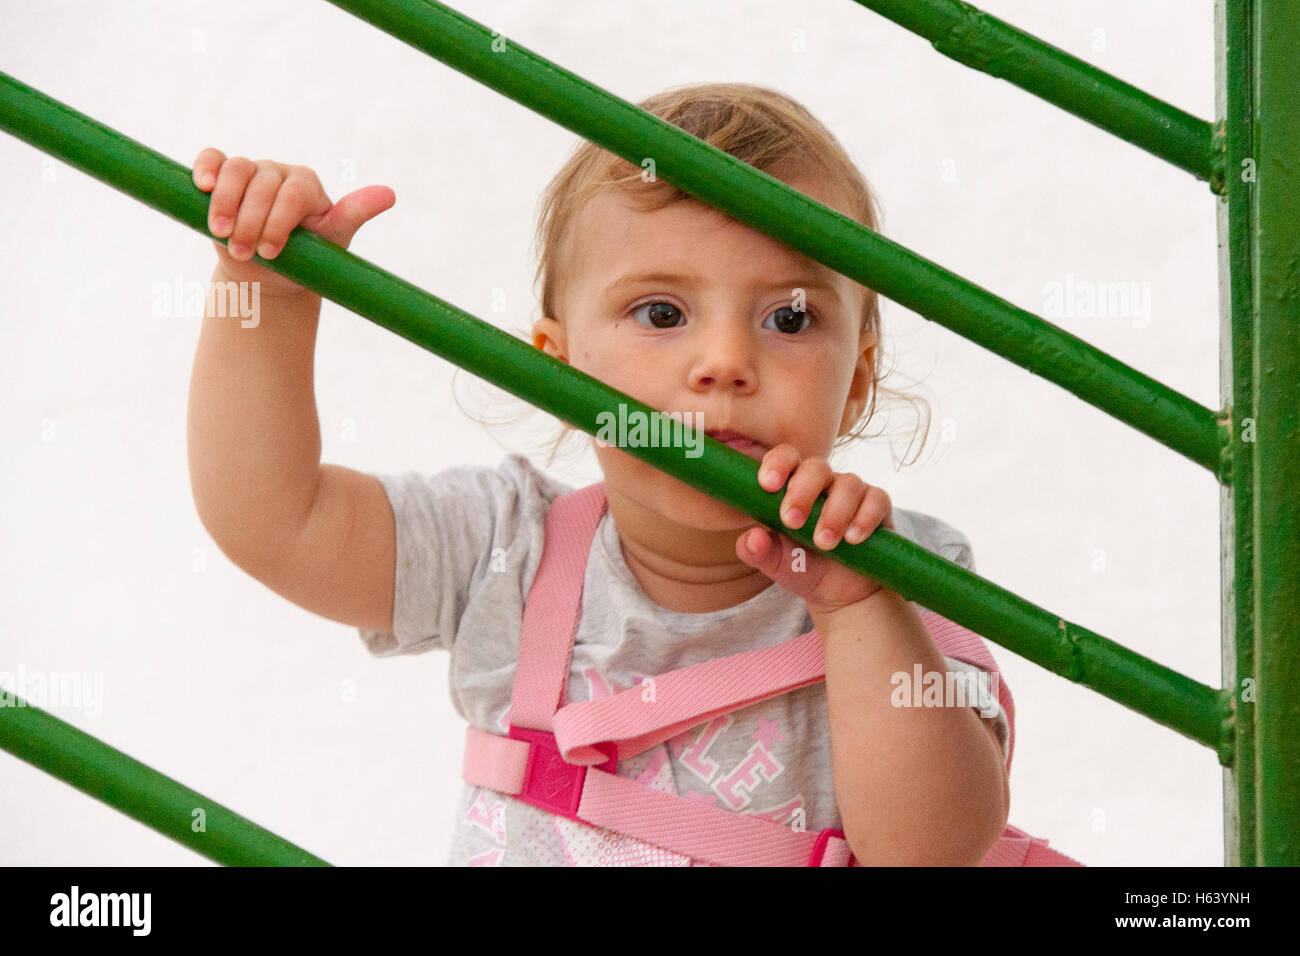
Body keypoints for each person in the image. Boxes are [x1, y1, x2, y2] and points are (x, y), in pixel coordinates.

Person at [187, 82, 1031, 867]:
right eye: (661, 313)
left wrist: (862, 610)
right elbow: (274, 521)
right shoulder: (503, 548)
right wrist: (264, 298)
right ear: (559, 365)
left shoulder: (900, 573)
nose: (727, 362)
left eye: (790, 317)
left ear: (855, 381)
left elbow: (934, 850)